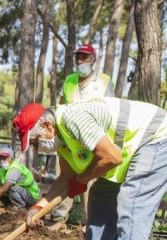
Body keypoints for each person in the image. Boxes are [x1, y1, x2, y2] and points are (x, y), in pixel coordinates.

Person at [12, 98, 167, 240]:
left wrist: (82, 179)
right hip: (136, 148)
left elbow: (111, 157)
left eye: (35, 142)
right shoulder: (62, 140)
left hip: (161, 137)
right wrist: (38, 207)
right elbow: (67, 179)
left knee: (132, 199)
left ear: (47, 125)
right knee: (101, 193)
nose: (36, 148)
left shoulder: (73, 118)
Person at [52, 43, 117, 228]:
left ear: (93, 59)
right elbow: (60, 106)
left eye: (85, 57)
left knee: (90, 183)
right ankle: (58, 219)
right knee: (64, 177)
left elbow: (111, 111)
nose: (80, 61)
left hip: (93, 142)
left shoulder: (104, 81)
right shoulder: (69, 80)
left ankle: (90, 223)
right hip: (70, 143)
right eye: (78, 57)